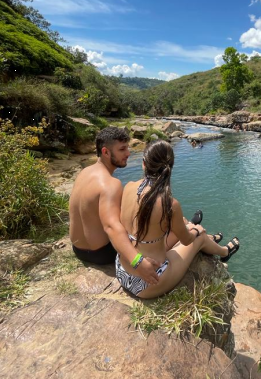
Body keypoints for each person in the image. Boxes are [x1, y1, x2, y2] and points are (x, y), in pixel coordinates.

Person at [115, 140, 240, 299]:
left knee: (183, 224)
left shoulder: (128, 186)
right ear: (170, 167)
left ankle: (207, 237)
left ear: (144, 163)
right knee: (199, 236)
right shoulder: (169, 204)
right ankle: (224, 251)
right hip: (149, 281)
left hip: (122, 269)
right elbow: (187, 240)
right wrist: (195, 231)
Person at [68, 127, 163, 285]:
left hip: (78, 249)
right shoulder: (111, 184)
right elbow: (111, 226)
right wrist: (137, 262)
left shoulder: (84, 172)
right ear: (105, 152)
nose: (128, 153)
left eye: (127, 148)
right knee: (151, 226)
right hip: (101, 254)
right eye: (122, 149)